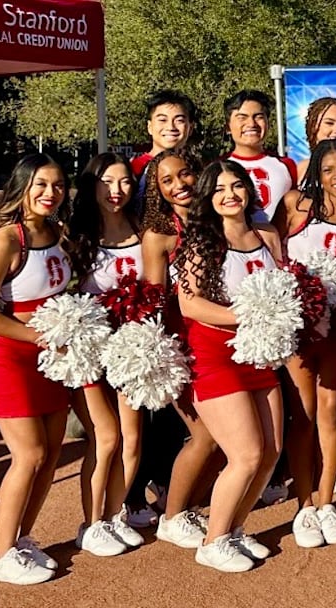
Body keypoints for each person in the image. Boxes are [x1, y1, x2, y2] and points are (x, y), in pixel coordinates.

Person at [0, 153, 73, 584]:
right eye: (41, 185)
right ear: (23, 186)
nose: (51, 193)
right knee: (28, 455)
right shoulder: (6, 241)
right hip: (13, 358)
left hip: (53, 360)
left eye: (58, 185)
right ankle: (0, 554)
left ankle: (23, 538)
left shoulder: (58, 232)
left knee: (49, 456)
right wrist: (35, 335)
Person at [175, 159, 284, 572]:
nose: (230, 195)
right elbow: (191, 304)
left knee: (271, 452)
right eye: (219, 189)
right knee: (246, 455)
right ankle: (213, 539)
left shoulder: (266, 236)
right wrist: (250, 313)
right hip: (215, 357)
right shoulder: (203, 241)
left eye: (236, 186)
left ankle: (234, 529)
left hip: (259, 353)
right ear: (209, 197)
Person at [273, 137, 336, 547]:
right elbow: (271, 246)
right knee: (304, 414)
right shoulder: (296, 204)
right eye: (329, 169)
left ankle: (327, 501)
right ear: (316, 171)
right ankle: (304, 505)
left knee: (331, 411)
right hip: (299, 326)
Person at [65, 153, 146, 557]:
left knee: (132, 439)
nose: (117, 191)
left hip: (131, 349)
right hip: (89, 348)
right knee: (105, 436)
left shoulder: (142, 227)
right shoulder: (74, 233)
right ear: (92, 185)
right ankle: (90, 522)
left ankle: (114, 514)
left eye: (126, 182)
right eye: (107, 182)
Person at [139, 150, 217, 549]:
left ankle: (180, 505)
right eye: (167, 180)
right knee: (204, 434)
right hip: (182, 343)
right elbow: (153, 298)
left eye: (184, 173)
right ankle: (172, 517)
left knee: (221, 439)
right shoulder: (159, 234)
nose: (179, 184)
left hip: (220, 337)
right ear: (158, 191)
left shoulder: (215, 217)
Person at [223, 89, 298, 222]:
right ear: (228, 127)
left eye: (258, 116)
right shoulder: (219, 167)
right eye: (242, 117)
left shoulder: (286, 165)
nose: (251, 124)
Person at [130, 90, 198, 179]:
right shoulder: (133, 169)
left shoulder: (199, 170)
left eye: (179, 120)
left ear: (191, 128)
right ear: (149, 126)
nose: (170, 127)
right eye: (162, 120)